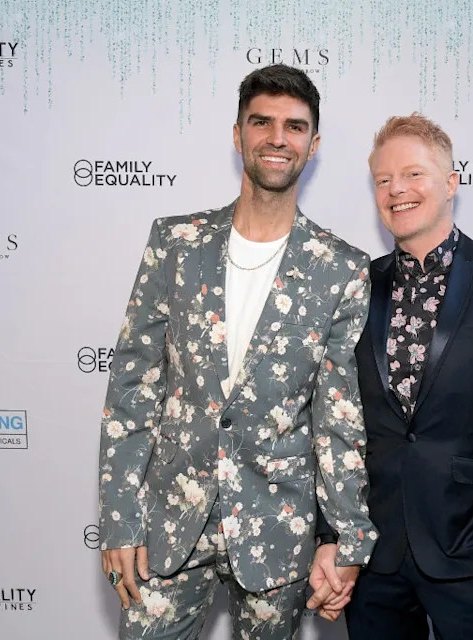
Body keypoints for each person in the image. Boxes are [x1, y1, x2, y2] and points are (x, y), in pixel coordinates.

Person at [97, 64, 377, 640]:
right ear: (237, 134)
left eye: (295, 127)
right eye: (263, 122)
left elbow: (338, 419)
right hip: (170, 520)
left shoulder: (340, 269)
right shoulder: (174, 244)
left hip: (277, 530)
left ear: (313, 144)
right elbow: (131, 388)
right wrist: (120, 517)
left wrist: (348, 538)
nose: (278, 138)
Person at [321, 113, 473, 638]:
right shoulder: (357, 285)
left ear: (451, 183)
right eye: (383, 180)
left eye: (413, 175)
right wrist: (335, 534)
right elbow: (334, 422)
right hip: (373, 558)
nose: (397, 190)